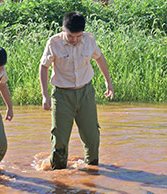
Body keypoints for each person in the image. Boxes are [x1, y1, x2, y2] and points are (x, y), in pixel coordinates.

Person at [39, 11, 114, 170]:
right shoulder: (54, 43)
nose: (74, 40)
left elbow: (99, 58)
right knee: (59, 138)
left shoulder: (89, 41)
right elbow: (43, 67)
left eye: (78, 36)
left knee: (92, 136)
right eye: (71, 36)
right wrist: (45, 95)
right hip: (62, 95)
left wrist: (109, 82)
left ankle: (92, 170)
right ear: (63, 30)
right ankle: (58, 176)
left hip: (86, 92)